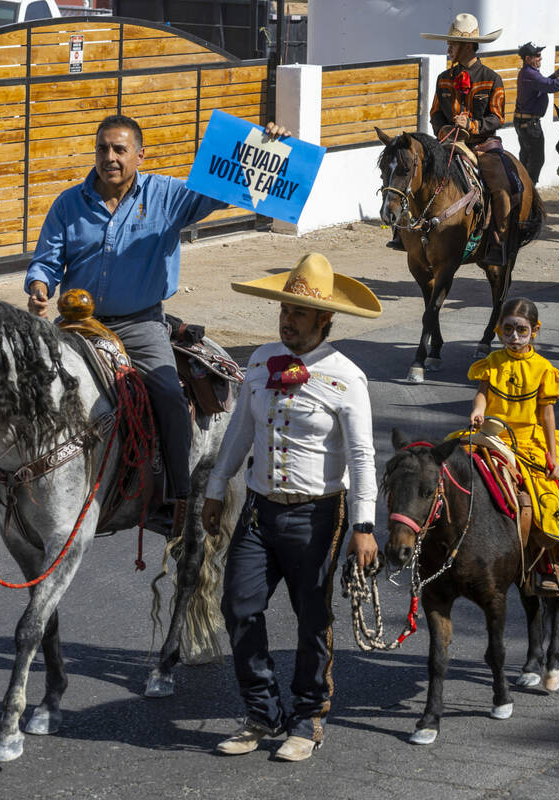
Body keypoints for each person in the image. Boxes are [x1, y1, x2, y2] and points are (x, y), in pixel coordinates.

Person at [0, 114, 289, 539]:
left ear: (139, 154)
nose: (109, 158)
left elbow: (221, 190)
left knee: (167, 393)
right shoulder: (68, 204)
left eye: (119, 149)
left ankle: (173, 498)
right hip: (76, 326)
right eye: (102, 149)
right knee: (20, 383)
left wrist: (268, 147)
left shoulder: (167, 195)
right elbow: (46, 259)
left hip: (141, 323)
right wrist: (39, 285)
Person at [204, 253, 381, 762]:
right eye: (284, 308)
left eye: (300, 312)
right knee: (238, 605)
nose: (287, 318)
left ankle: (307, 717)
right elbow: (241, 431)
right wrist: (217, 486)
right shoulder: (259, 360)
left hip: (318, 514)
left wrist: (364, 525)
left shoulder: (348, 377)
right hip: (260, 510)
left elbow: (364, 455)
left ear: (325, 321)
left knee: (311, 619)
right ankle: (262, 712)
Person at [466, 297, 559, 595]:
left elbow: (547, 415)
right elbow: (482, 395)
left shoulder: (543, 369)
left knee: (547, 497)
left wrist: (552, 455)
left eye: (521, 330)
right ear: (499, 330)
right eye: (508, 330)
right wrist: (478, 410)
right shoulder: (490, 363)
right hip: (491, 435)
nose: (514, 337)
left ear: (535, 331)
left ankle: (548, 562)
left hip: (528, 440)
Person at [421, 13, 517, 266]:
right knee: (418, 173)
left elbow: (497, 118)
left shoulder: (492, 78)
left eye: (452, 43)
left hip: (483, 146)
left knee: (501, 186)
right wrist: (444, 131)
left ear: (466, 45)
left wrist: (472, 125)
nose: (448, 47)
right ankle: (407, 232)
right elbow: (435, 115)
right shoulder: (444, 78)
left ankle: (499, 240)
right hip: (448, 143)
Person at [514, 41, 559, 184]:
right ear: (528, 59)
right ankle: (529, 189)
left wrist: (554, 76)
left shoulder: (528, 73)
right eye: (537, 55)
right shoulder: (530, 74)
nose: (540, 58)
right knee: (537, 159)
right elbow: (549, 87)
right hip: (530, 124)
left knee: (527, 158)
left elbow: (541, 86)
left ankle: (523, 188)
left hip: (525, 122)